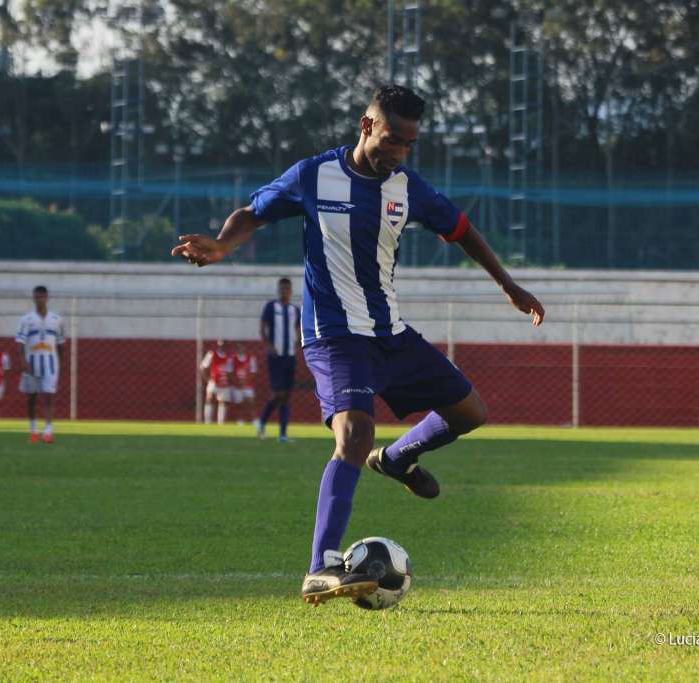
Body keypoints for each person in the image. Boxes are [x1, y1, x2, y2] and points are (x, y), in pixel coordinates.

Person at [172, 84, 544, 605]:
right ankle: (320, 566)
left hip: (389, 332)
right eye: (393, 139)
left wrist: (509, 285)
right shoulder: (313, 175)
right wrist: (221, 245)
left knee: (469, 412)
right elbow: (252, 213)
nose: (399, 152)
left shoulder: (407, 187)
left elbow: (462, 230)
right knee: (353, 434)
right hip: (334, 334)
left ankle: (396, 460)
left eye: (409, 144)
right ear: (367, 126)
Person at [16, 285, 64, 443]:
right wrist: (23, 360)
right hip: (32, 364)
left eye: (42, 297)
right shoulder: (27, 319)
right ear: (34, 298)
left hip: (51, 364)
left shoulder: (56, 320)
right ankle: (33, 430)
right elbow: (20, 342)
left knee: (49, 397)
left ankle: (48, 432)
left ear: (47, 298)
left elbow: (61, 343)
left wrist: (60, 363)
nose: (40, 300)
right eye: (37, 297)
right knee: (32, 399)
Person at [257, 278, 300, 442]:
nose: (284, 292)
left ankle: (282, 434)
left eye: (287, 289)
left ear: (290, 290)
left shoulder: (294, 310)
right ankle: (261, 423)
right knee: (278, 394)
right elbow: (262, 328)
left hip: (290, 356)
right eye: (282, 289)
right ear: (278, 290)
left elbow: (298, 329)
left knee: (287, 395)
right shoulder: (271, 307)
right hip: (275, 357)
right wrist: (268, 345)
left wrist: (298, 342)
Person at [200, 339, 234, 425]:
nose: (221, 346)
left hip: (224, 382)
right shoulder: (212, 354)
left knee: (223, 402)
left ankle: (221, 423)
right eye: (220, 344)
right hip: (214, 381)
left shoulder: (229, 356)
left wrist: (230, 381)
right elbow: (203, 367)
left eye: (223, 344)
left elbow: (230, 370)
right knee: (209, 399)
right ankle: (208, 422)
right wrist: (207, 379)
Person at [231, 342, 259, 427]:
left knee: (250, 402)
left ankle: (254, 420)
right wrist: (236, 382)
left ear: (245, 348)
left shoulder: (251, 358)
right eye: (239, 348)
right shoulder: (233, 358)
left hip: (248, 385)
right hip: (237, 385)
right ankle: (240, 420)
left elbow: (253, 372)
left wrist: (246, 381)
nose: (241, 349)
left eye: (242, 347)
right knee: (239, 404)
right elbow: (230, 372)